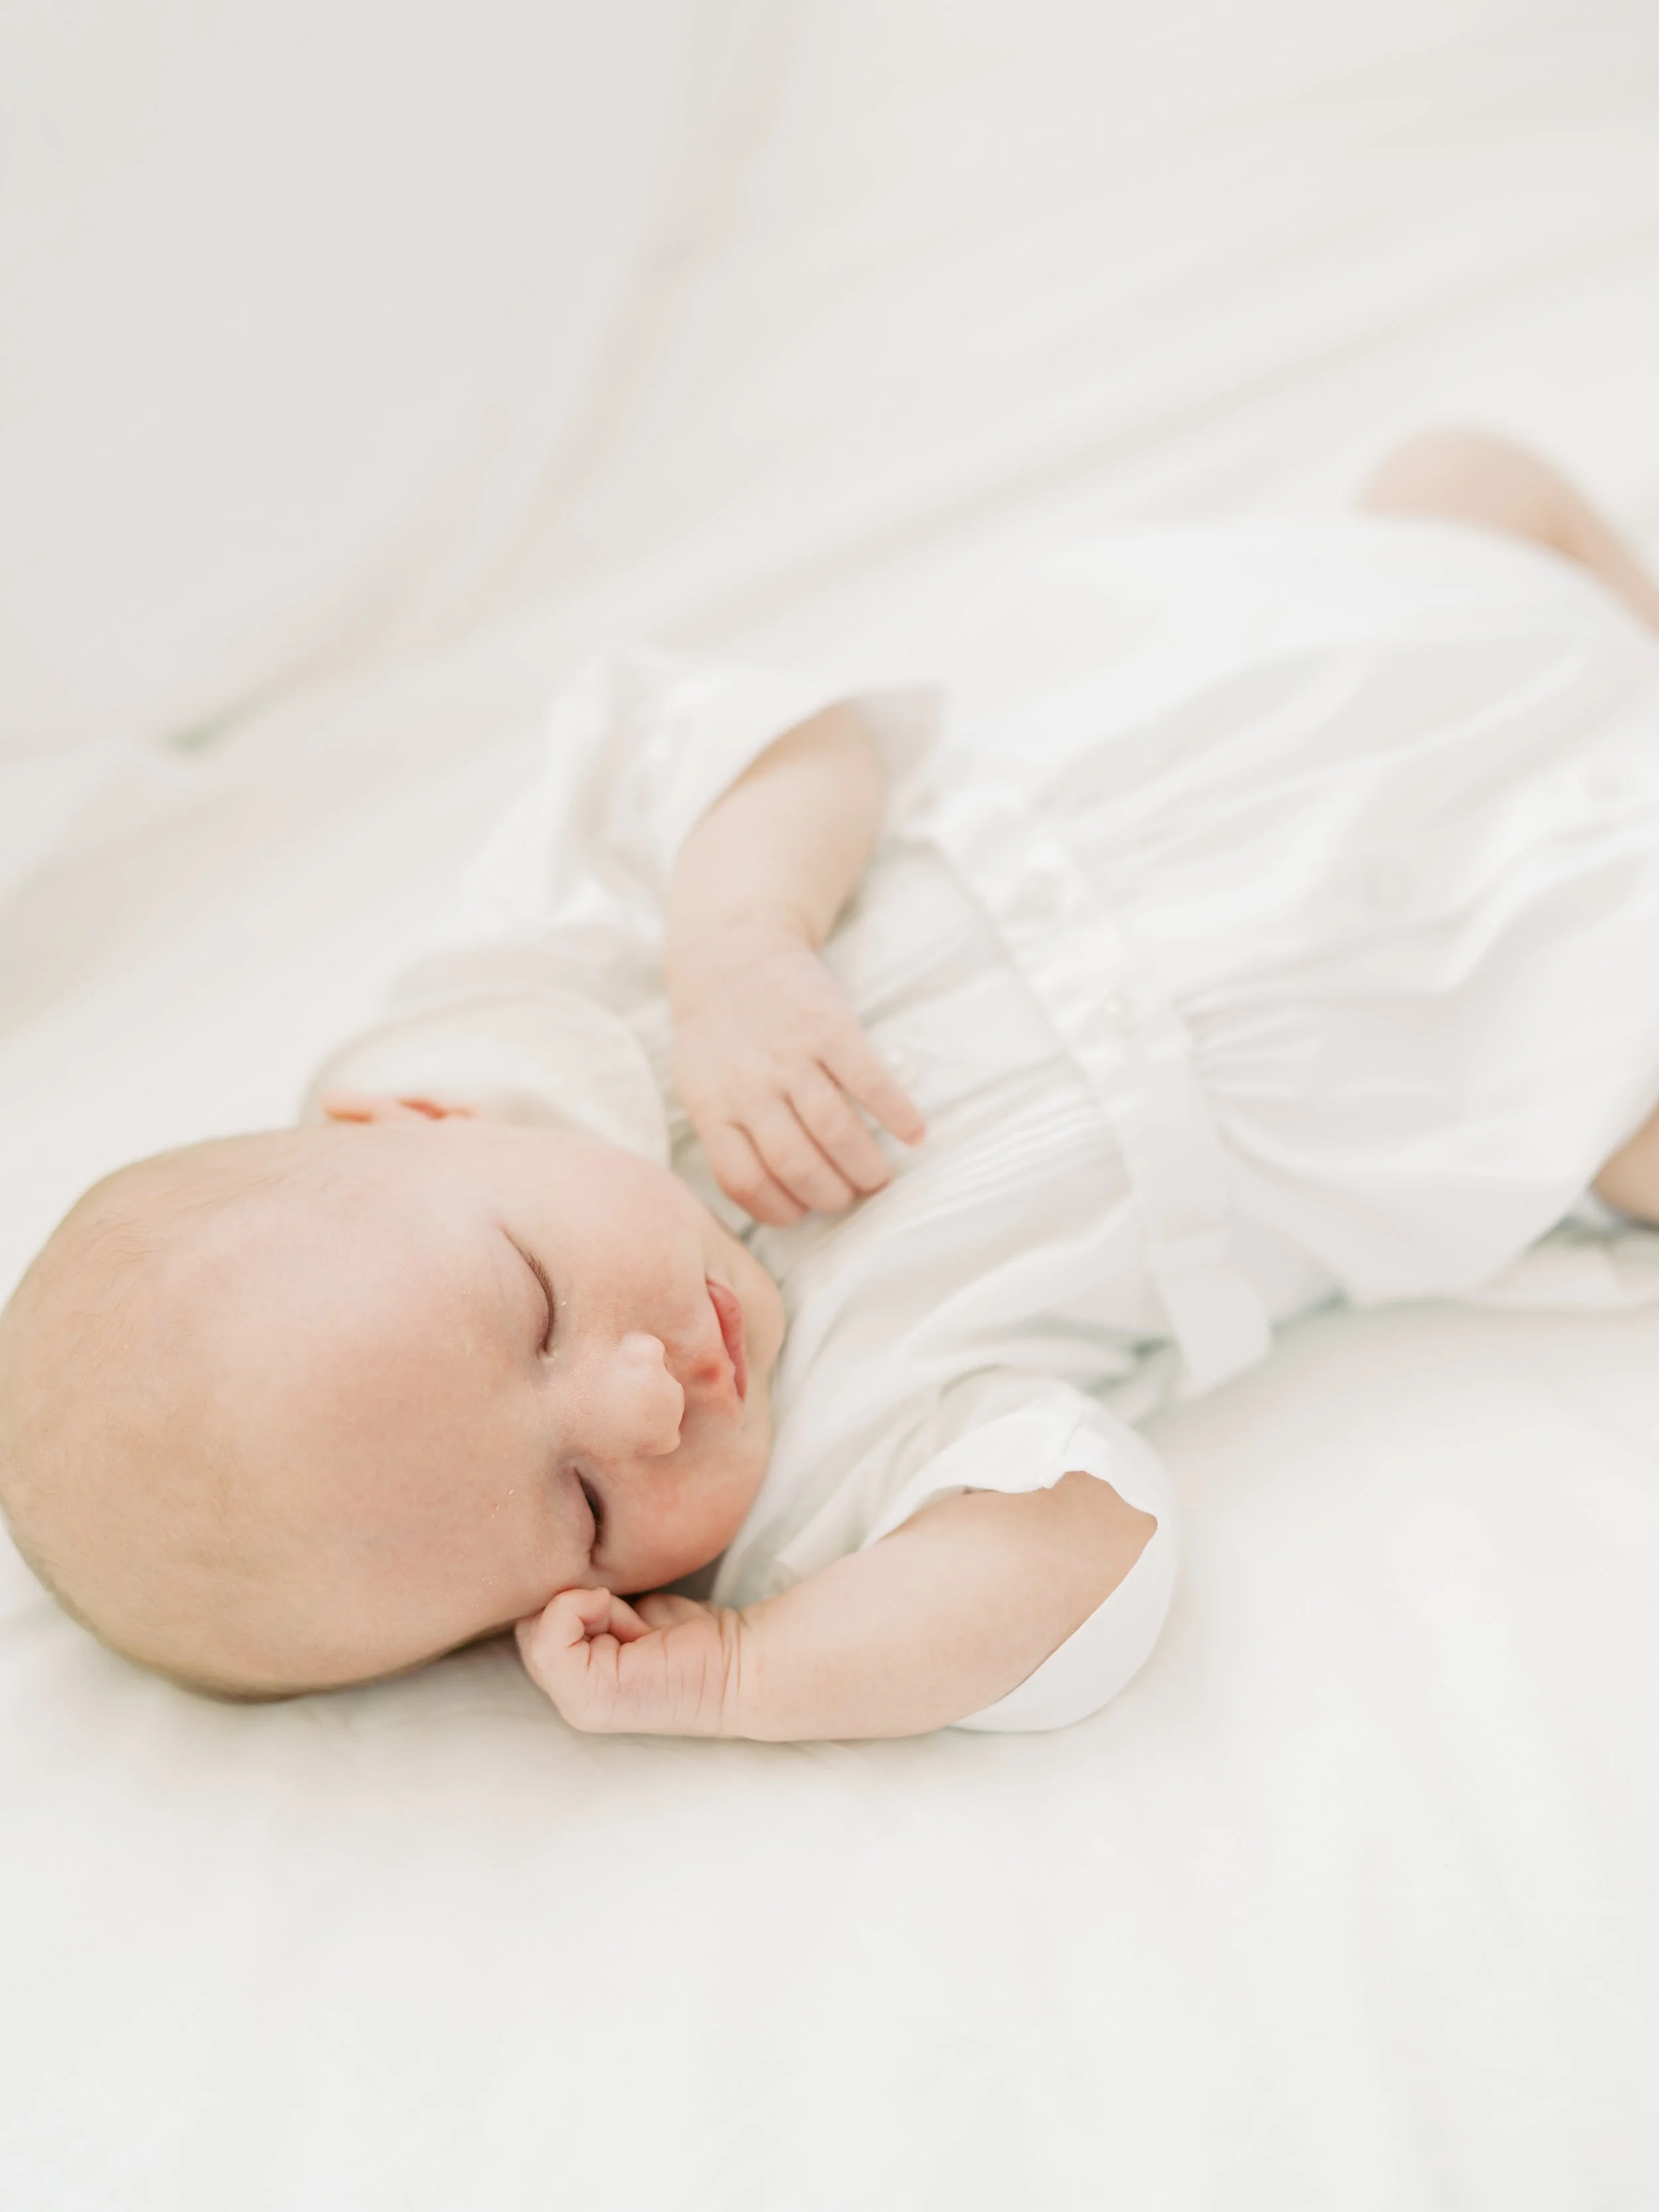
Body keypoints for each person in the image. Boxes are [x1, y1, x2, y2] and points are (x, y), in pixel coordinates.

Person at [4, 431, 1659, 1739]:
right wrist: (745, 1674)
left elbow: (755, 737)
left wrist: (742, 939)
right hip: (1449, 1025)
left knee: (1461, 492)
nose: (644, 1405)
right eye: (581, 1509)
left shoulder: (555, 1011)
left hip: (1242, 732)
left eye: (534, 1308)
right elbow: (1083, 1552)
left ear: (426, 1124)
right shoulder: (831, 1466)